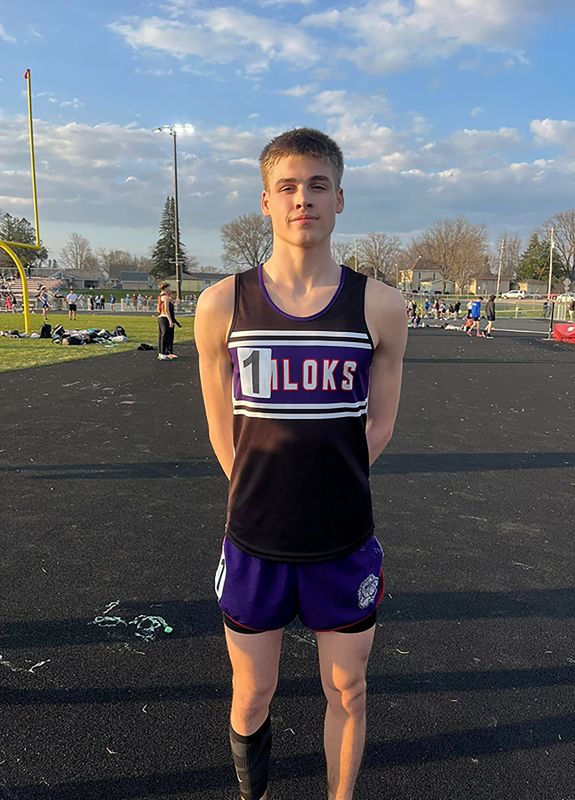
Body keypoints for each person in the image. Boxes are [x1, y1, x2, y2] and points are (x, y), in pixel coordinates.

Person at [194, 128, 407, 800]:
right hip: (254, 539)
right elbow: (222, 432)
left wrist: (321, 489)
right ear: (266, 201)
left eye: (318, 185)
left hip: (341, 540)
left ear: (339, 198)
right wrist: (265, 492)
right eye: (288, 186)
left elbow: (376, 427)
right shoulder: (222, 305)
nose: (302, 199)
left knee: (349, 687)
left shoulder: (380, 306)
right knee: (251, 693)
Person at [157, 282, 180, 360]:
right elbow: (167, 310)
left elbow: (158, 309)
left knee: (162, 336)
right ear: (165, 288)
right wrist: (170, 320)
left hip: (160, 317)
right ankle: (163, 353)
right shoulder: (165, 297)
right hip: (164, 318)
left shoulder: (160, 297)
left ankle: (161, 353)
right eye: (168, 287)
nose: (169, 289)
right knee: (165, 336)